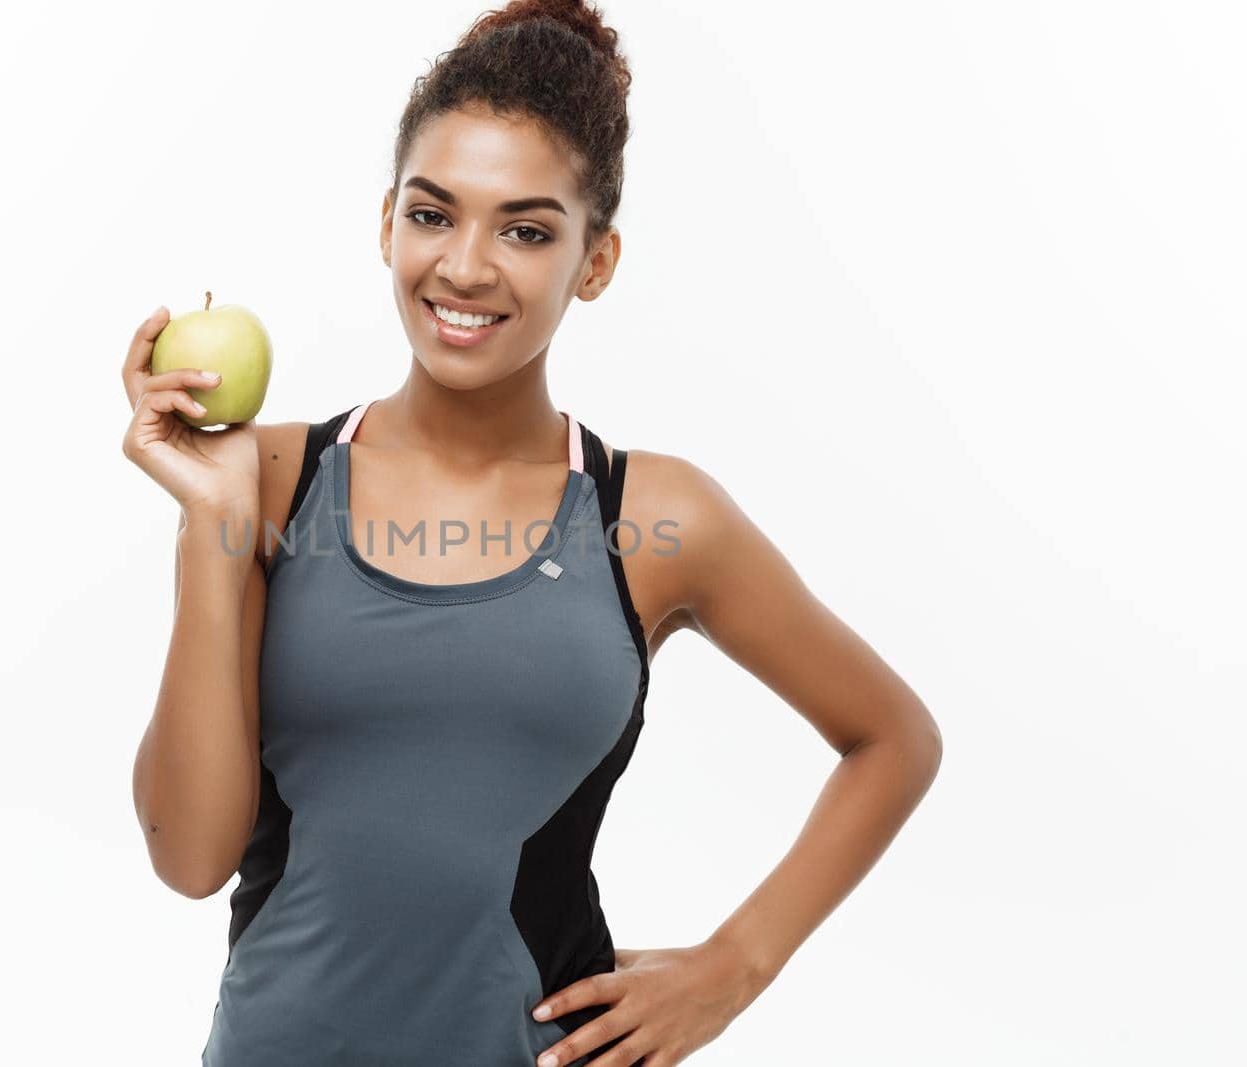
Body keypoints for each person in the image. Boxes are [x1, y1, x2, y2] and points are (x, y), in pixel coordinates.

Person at [121, 2, 942, 1064]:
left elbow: (892, 738)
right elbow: (189, 857)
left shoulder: (651, 518)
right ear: (385, 224)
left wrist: (729, 968)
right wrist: (212, 530)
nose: (464, 267)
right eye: (432, 214)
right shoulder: (269, 483)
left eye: (525, 228)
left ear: (593, 262)